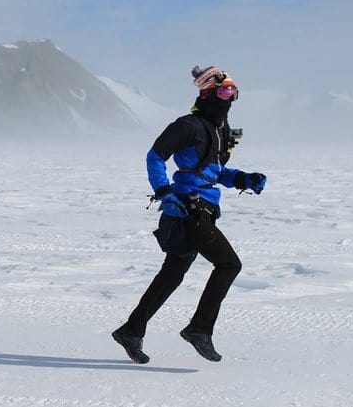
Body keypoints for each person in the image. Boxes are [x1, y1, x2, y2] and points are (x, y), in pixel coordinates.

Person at [112, 66, 267, 364]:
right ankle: (199, 329)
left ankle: (131, 330)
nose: (230, 98)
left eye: (234, 92)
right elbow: (155, 156)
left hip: (202, 210)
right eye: (224, 91)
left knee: (171, 275)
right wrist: (164, 191)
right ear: (208, 93)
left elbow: (215, 172)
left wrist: (244, 179)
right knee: (228, 264)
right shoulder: (187, 126)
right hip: (186, 210)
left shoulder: (219, 131)